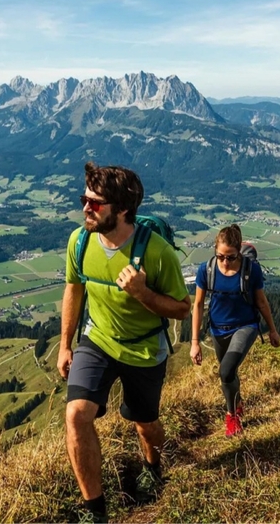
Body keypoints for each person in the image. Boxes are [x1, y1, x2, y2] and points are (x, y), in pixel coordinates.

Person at [58, 162, 190, 523]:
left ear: (123, 210)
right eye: (84, 199)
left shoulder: (157, 252)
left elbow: (181, 309)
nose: (86, 207)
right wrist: (65, 344)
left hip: (144, 348)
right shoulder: (79, 241)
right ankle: (95, 511)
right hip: (97, 340)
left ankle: (153, 467)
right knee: (76, 415)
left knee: (145, 424)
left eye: (95, 203)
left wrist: (142, 293)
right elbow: (74, 288)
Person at [189, 224, 280, 437]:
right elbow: (198, 305)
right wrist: (194, 342)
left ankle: (232, 416)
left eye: (230, 257)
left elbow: (261, 302)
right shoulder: (206, 270)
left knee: (226, 370)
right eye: (220, 256)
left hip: (245, 326)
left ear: (239, 251)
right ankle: (237, 404)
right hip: (218, 329)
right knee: (229, 375)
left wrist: (272, 330)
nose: (225, 262)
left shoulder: (251, 270)